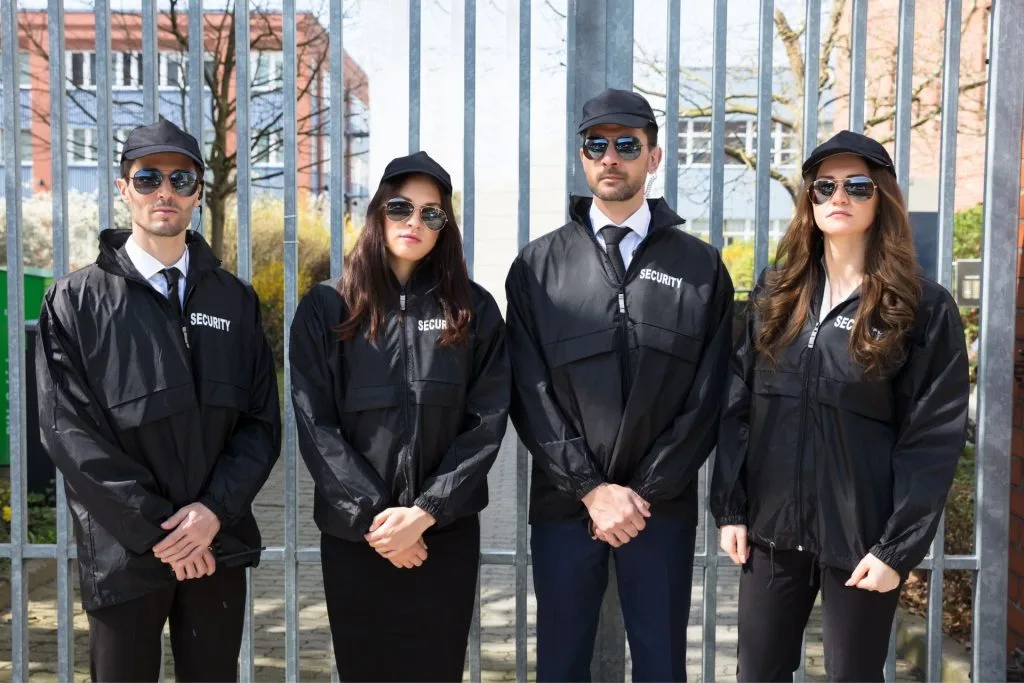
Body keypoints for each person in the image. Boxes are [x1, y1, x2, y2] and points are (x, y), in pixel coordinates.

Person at [710, 131, 970, 682]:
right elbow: (738, 403)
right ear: (809, 200)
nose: (838, 197)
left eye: (857, 185)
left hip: (862, 540)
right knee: (757, 674)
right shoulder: (776, 292)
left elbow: (932, 437)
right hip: (773, 531)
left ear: (884, 199)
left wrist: (896, 548)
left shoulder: (921, 307)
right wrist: (731, 508)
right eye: (824, 186)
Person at [36, 118, 281, 682]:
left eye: (180, 179)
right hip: (125, 552)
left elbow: (260, 424)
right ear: (124, 189)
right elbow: (67, 432)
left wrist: (212, 514)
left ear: (198, 191)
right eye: (147, 178)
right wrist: (161, 532)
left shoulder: (235, 300)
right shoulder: (75, 301)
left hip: (216, 546)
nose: (163, 192)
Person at [505, 88, 735, 682]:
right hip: (565, 505)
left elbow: (710, 394)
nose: (611, 157)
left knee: (661, 665)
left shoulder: (701, 266)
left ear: (653, 157)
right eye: (596, 144)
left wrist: (642, 495)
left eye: (627, 144)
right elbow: (529, 391)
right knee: (560, 664)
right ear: (582, 157)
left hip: (660, 507)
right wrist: (589, 489)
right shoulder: (537, 266)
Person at [290, 151, 510, 682]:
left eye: (431, 213)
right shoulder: (328, 308)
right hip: (357, 538)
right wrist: (377, 520)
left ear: (445, 226)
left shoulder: (473, 310)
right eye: (400, 207)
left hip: (444, 534)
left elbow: (487, 420)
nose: (414, 222)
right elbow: (314, 422)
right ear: (377, 212)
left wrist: (426, 512)